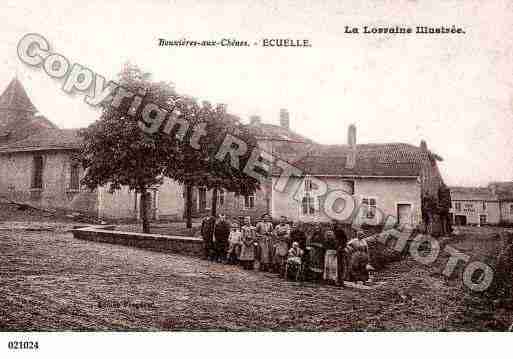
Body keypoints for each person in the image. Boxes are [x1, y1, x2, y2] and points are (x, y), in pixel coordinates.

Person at [333, 220, 349, 286]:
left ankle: (340, 280)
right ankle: (333, 279)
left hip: (340, 250)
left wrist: (341, 246)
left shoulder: (340, 231)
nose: (333, 225)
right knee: (333, 265)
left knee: (340, 266)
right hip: (333, 250)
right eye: (332, 224)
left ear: (337, 224)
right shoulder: (331, 231)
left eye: (335, 224)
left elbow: (345, 240)